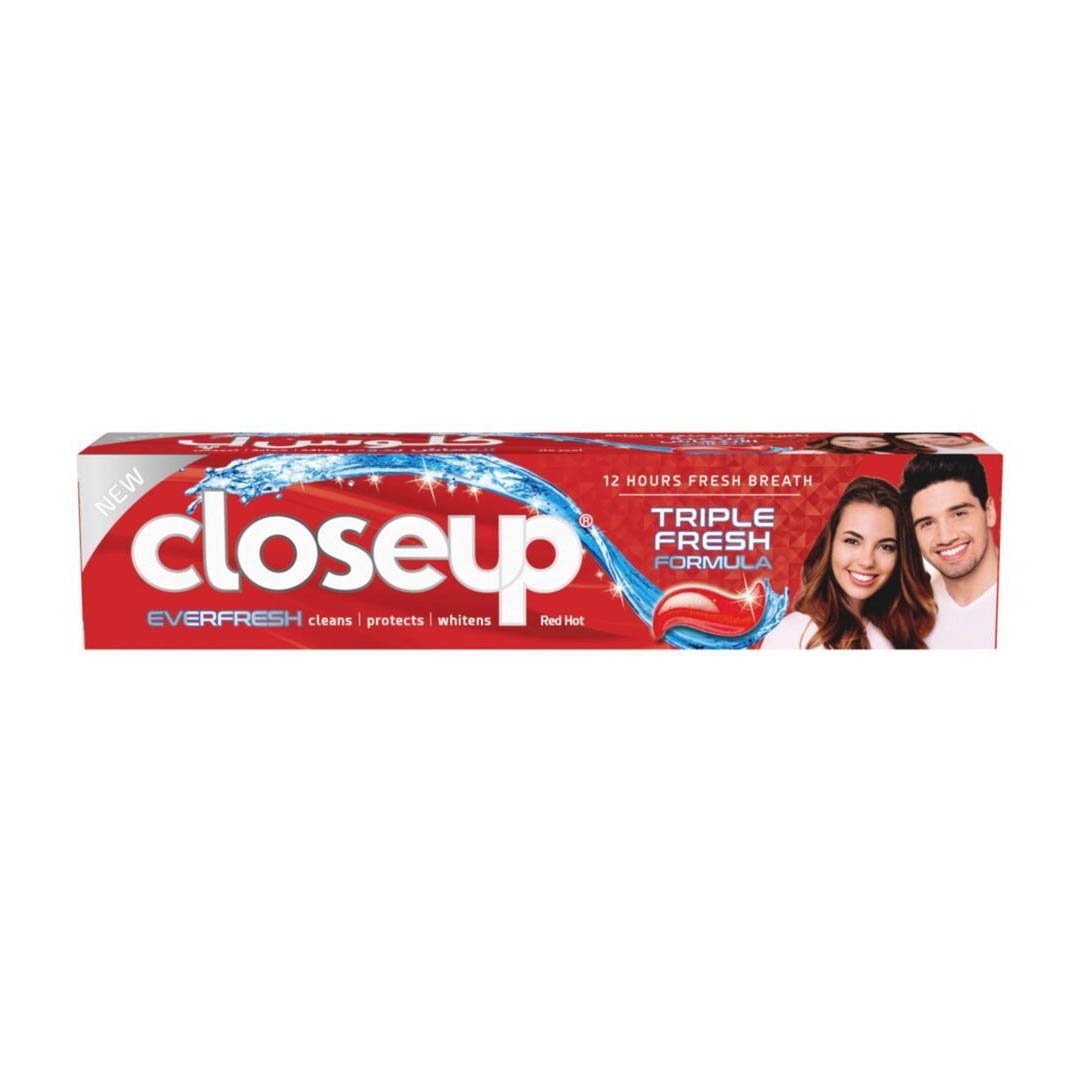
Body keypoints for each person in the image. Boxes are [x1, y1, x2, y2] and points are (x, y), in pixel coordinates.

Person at [760, 476, 935, 649]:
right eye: (852, 541)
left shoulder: (906, 632)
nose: (867, 561)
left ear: (900, 556)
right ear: (830, 543)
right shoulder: (790, 634)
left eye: (885, 547)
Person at [900, 454, 998, 648]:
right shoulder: (908, 617)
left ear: (989, 512)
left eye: (959, 514)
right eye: (927, 523)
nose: (945, 537)